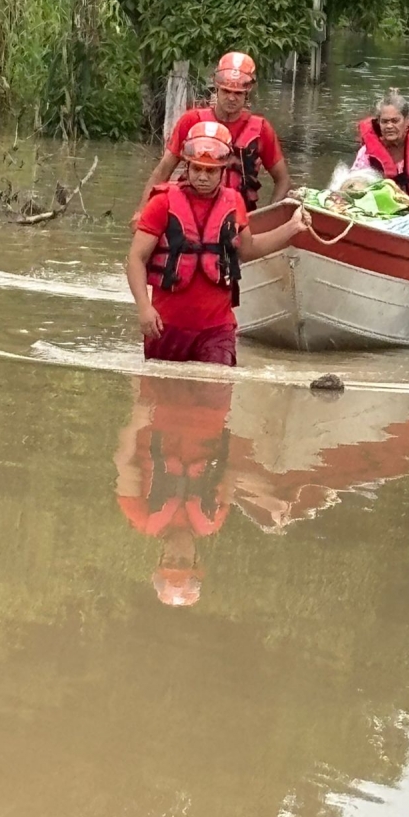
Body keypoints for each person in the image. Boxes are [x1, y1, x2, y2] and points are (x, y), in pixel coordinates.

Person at [127, 119, 304, 366]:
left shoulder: (234, 202)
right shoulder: (162, 202)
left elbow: (248, 250)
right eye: (196, 169)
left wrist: (292, 228)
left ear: (223, 170)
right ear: (186, 167)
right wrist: (144, 308)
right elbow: (136, 259)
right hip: (166, 327)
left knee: (216, 395)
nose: (202, 177)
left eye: (210, 171)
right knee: (163, 400)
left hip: (217, 330)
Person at [114, 377, 234, 608]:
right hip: (211, 415)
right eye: (182, 560)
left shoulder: (141, 516)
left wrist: (136, 423)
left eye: (169, 559)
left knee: (163, 353)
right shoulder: (212, 519)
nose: (175, 553)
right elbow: (232, 471)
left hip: (160, 414)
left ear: (160, 557)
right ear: (196, 559)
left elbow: (123, 461)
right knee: (217, 366)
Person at [135, 52, 291, 218]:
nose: (231, 98)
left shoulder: (261, 129)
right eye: (226, 91)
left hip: (239, 218)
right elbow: (163, 171)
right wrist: (142, 212)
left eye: (237, 93)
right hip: (190, 215)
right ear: (216, 88)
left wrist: (266, 218)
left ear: (247, 92)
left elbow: (283, 180)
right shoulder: (191, 121)